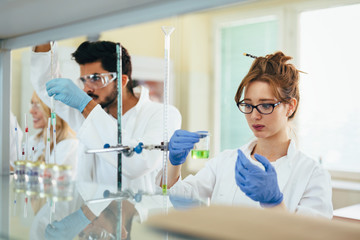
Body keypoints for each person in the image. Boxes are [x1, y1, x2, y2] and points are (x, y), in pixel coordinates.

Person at [162, 51, 333, 218]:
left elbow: (313, 235)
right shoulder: (225, 161)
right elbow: (181, 202)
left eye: (266, 105)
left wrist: (274, 204)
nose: (254, 115)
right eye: (248, 105)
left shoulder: (312, 174)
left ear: (290, 106)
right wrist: (174, 163)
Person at [30, 41, 181, 192]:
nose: (87, 88)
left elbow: (137, 163)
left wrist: (85, 104)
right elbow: (46, 85)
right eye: (84, 80)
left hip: (140, 214)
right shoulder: (87, 113)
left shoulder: (163, 114)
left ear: (121, 81)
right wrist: (46, 32)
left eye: (96, 79)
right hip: (93, 212)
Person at [26, 91, 78, 167]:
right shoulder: (34, 140)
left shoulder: (69, 145)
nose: (31, 111)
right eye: (32, 104)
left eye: (38, 105)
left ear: (53, 110)